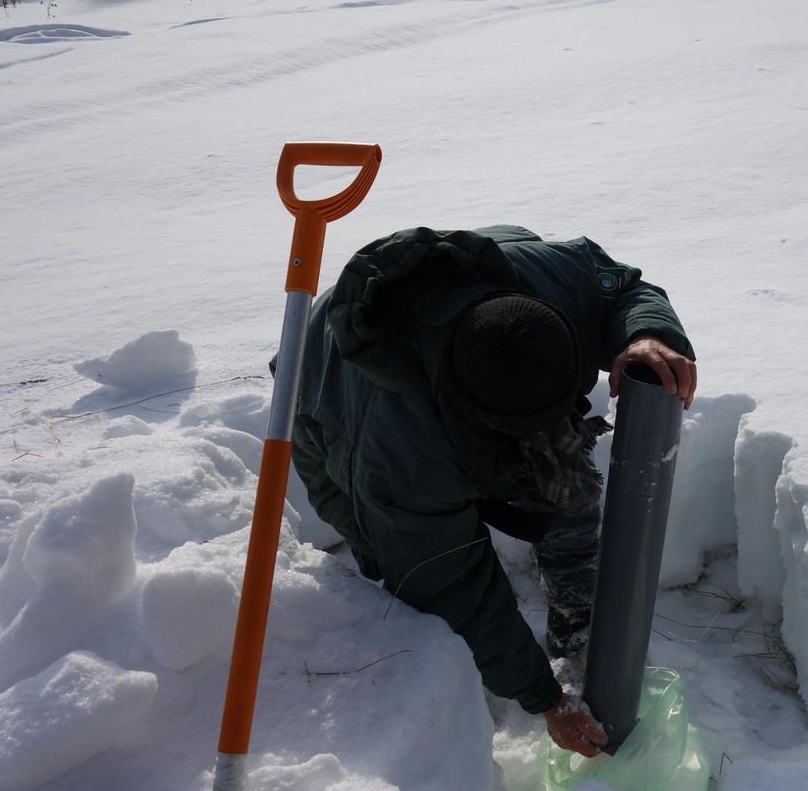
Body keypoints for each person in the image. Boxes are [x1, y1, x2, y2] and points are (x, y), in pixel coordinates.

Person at [285, 225, 696, 758]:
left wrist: (645, 333)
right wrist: (543, 698)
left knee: (561, 484)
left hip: (471, 333)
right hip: (327, 404)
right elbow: (454, 583)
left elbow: (620, 289)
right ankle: (427, 690)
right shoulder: (401, 455)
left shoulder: (546, 287)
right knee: (405, 571)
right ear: (477, 421)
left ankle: (575, 617)